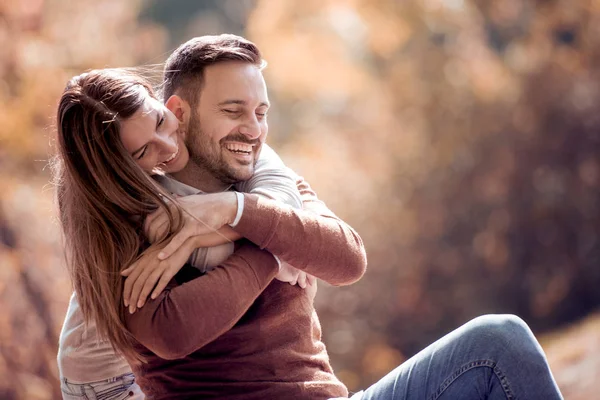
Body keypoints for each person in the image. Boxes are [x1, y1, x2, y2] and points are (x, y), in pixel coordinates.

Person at [55, 34, 563, 399]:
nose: (253, 130)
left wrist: (238, 211)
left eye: (261, 112)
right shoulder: (126, 236)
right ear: (188, 108)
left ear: (172, 113)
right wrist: (270, 252)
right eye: (233, 111)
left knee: (500, 341)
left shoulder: (267, 181)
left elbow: (347, 259)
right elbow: (171, 333)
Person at [55, 69, 318, 399]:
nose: (167, 146)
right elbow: (174, 330)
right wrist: (272, 251)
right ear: (119, 170)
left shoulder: (236, 146)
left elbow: (283, 206)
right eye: (142, 152)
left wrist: (211, 223)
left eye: (160, 122)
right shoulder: (126, 215)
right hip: (103, 387)